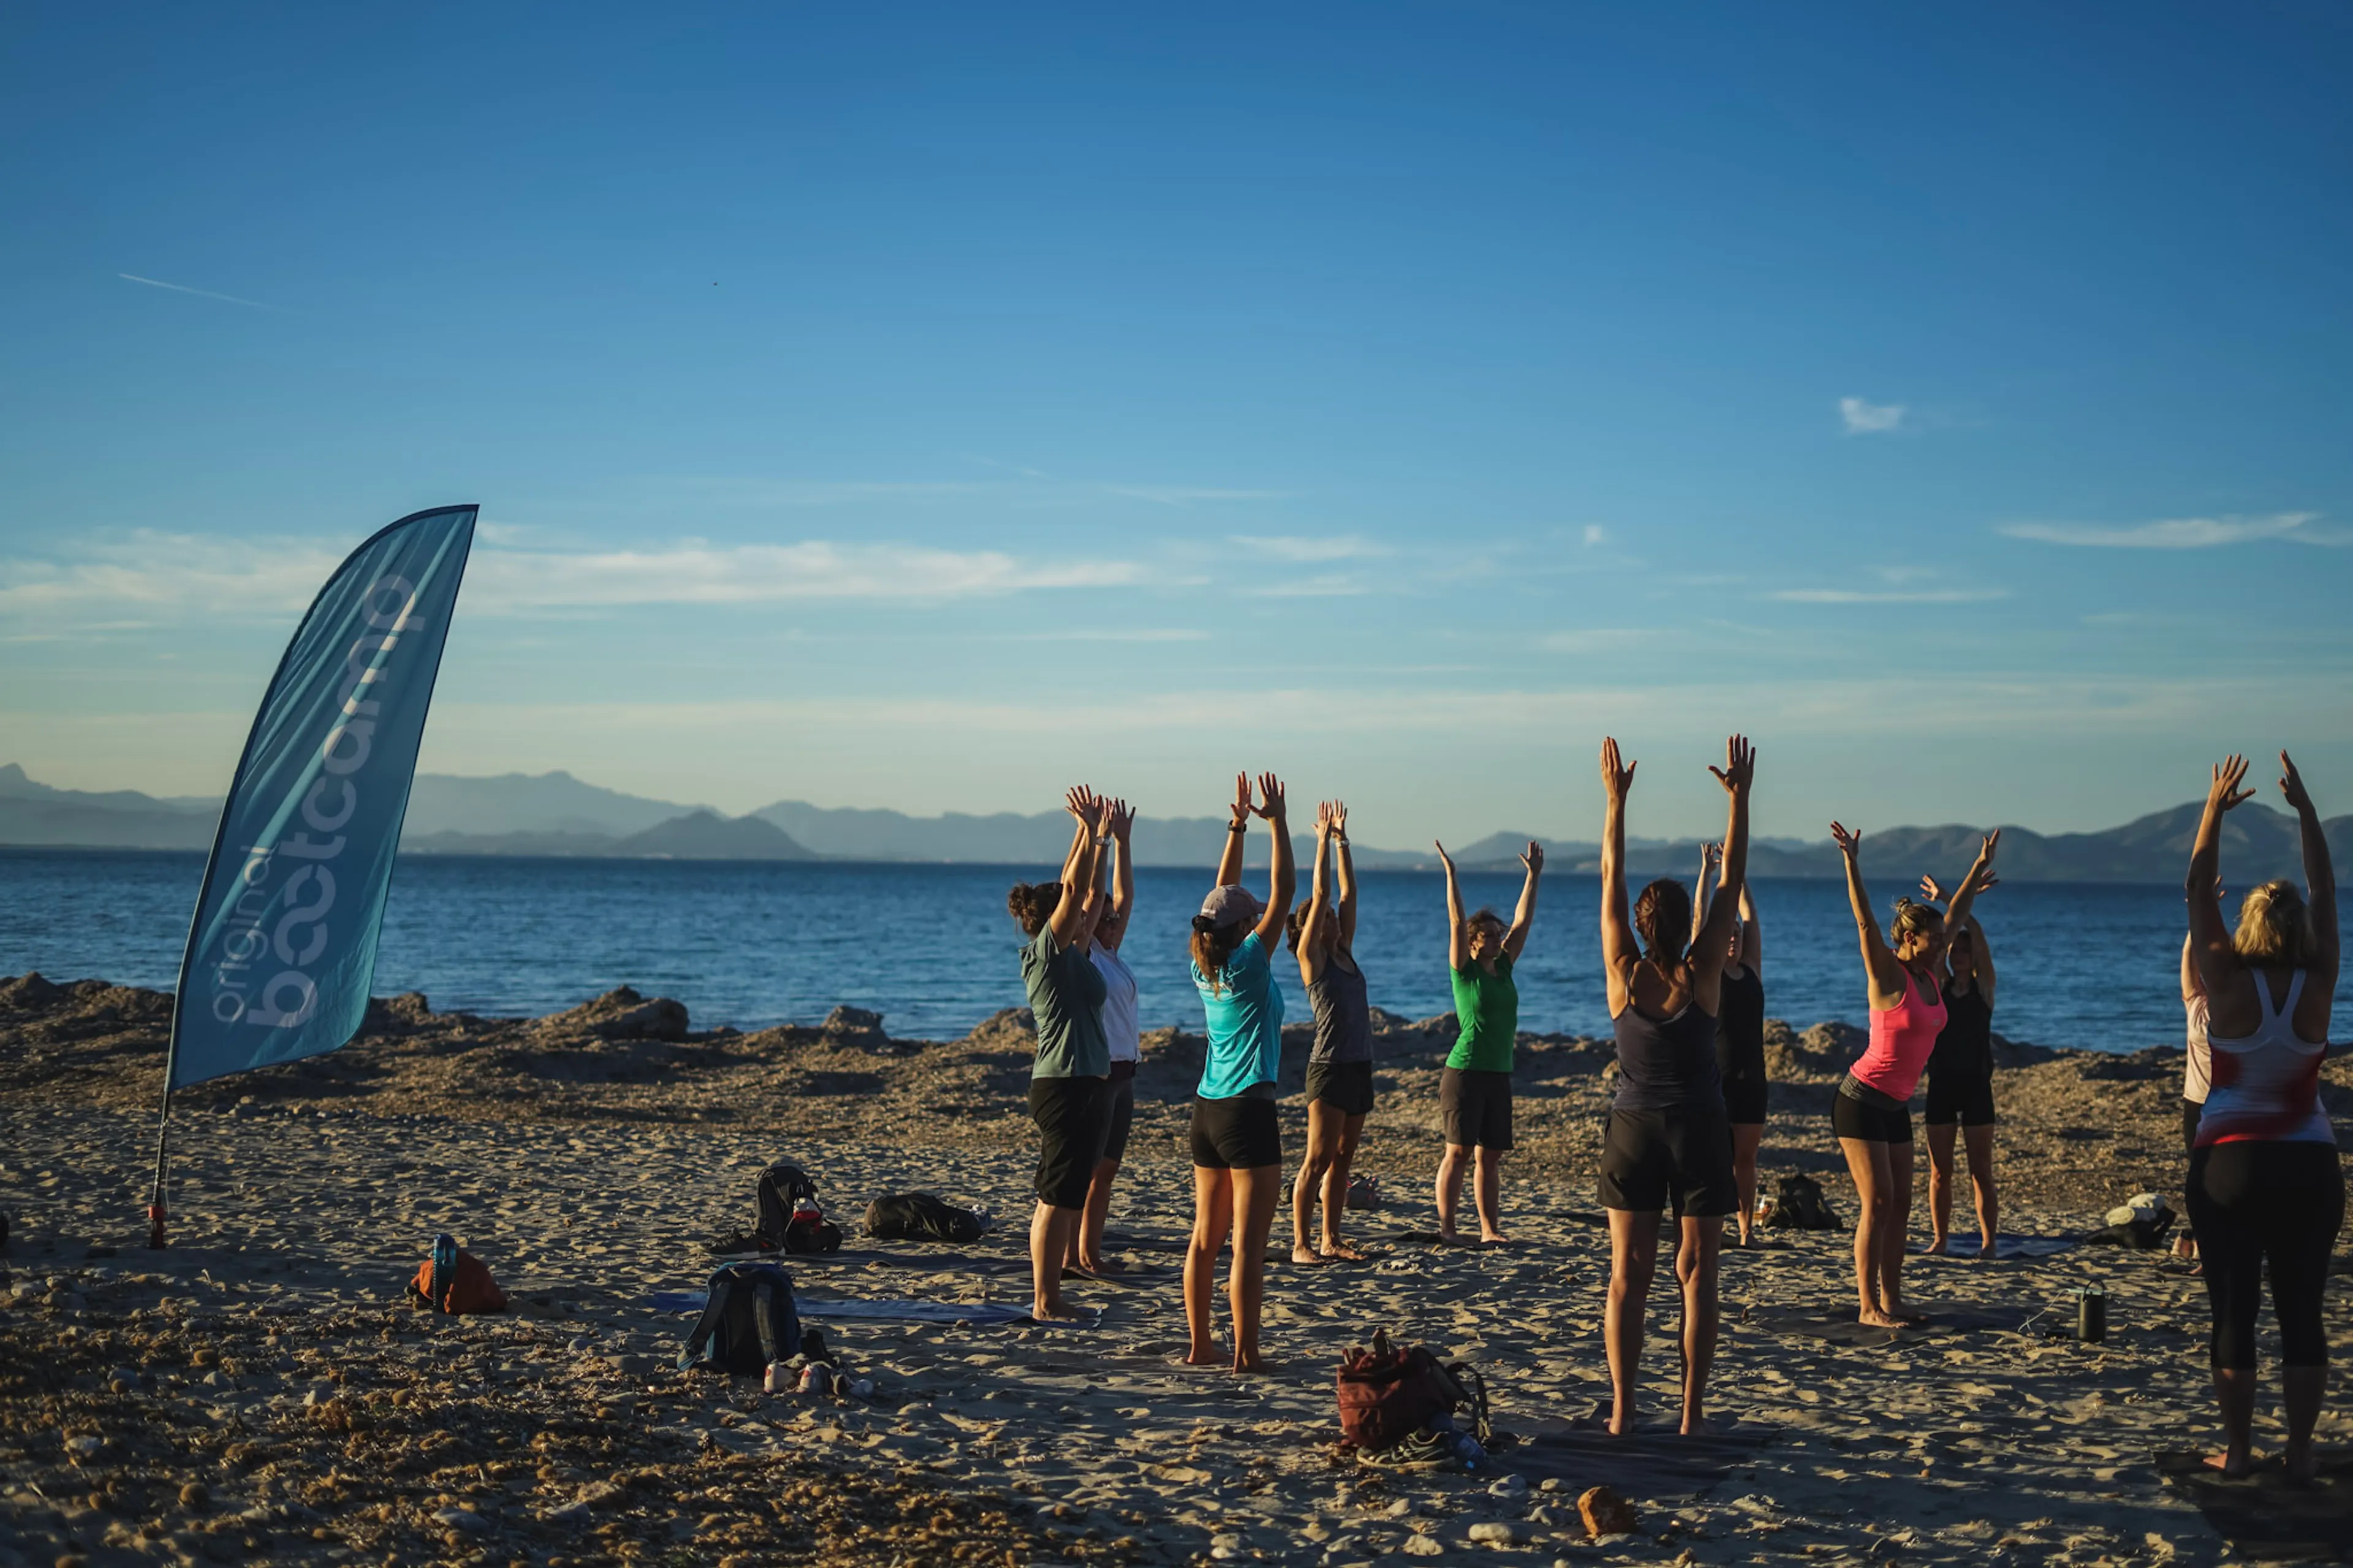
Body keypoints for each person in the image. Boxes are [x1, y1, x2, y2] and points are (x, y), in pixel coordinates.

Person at [2183, 752, 2340, 1479]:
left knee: (2234, 1312)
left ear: (2245, 923)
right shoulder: (2321, 975)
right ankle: (2301, 1455)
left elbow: (2194, 889)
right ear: (2303, 926)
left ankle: (2241, 1452)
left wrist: (2214, 808)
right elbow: (2326, 886)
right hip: (2309, 1162)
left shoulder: (2225, 976)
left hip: (2231, 1165)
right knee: (2302, 1312)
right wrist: (2308, 813)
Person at [1597, 734, 1754, 1435]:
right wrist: (1740, 800)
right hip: (1697, 1129)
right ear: (1690, 927)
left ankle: (1625, 1413)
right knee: (1699, 1276)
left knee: (1628, 1278)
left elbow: (1610, 873)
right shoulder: (1704, 975)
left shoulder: (1623, 972)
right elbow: (1731, 880)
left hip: (1633, 1131)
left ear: (1638, 924)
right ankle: (1691, 1415)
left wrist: (1615, 801)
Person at [1826, 818, 1998, 1328]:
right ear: (1910, 938)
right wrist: (1852, 863)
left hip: (1895, 1105)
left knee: (1901, 1204)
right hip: (1860, 1099)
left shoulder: (1932, 975)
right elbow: (1864, 925)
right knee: (1877, 1202)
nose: (1945, 943)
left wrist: (1977, 865)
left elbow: (1960, 909)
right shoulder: (1888, 972)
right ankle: (1867, 1306)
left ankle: (1892, 1298)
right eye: (1936, 937)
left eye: (1946, 938)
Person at [1185, 771, 1296, 1373]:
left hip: (1207, 1109)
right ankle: (1246, 1355)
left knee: (1207, 1238)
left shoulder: (1204, 961)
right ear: (1245, 929)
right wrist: (1278, 821)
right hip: (1249, 1111)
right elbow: (1284, 891)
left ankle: (1202, 1346)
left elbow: (1220, 894)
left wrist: (1238, 826)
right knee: (1248, 1248)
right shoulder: (1251, 961)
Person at [1007, 786, 1115, 1322]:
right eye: (1069, 913)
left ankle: (1053, 1292)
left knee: (1068, 1190)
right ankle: (1045, 1299)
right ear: (1054, 920)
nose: (1085, 914)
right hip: (1064, 1084)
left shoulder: (1074, 952)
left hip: (1086, 1084)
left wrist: (1100, 839)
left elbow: (1088, 893)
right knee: (1054, 1194)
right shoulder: (1046, 956)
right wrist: (1088, 832)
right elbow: (1074, 888)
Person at [1433, 834, 1543, 1244]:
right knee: (1458, 1153)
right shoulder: (1464, 970)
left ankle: (1489, 1229)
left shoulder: (1506, 967)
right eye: (1492, 935)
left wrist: (1533, 877)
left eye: (1501, 934)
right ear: (1476, 941)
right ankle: (1448, 1229)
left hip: (1499, 1071)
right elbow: (1455, 920)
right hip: (1464, 1071)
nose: (1501, 938)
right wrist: (1451, 875)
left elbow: (1523, 920)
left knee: (1490, 1156)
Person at [1288, 801, 1373, 1265]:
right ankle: (1301, 1243)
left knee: (1343, 1159)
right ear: (1311, 928)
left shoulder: (1345, 950)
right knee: (1316, 1159)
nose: (1335, 918)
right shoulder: (1314, 960)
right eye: (1326, 918)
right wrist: (1320, 841)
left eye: (1334, 917)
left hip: (1359, 1064)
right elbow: (1322, 893)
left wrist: (1343, 841)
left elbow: (1348, 892)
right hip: (1328, 1068)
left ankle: (1330, 1238)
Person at [1071, 798, 1140, 1276]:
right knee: (1086, 1170)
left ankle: (1090, 1252)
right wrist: (1094, 840)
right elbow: (1092, 895)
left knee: (1107, 1170)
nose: (1114, 923)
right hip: (1097, 1072)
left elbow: (1123, 896)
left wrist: (1124, 843)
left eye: (1117, 920)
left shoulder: (1112, 955)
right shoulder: (1085, 954)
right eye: (1107, 919)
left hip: (1125, 1071)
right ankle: (1074, 1253)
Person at [1920, 873, 2000, 1259]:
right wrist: (1949, 909)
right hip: (1941, 1086)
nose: (1962, 953)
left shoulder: (1985, 990)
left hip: (1977, 1087)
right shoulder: (1939, 986)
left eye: (1967, 950)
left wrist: (1951, 897)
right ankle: (1940, 1240)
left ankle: (1989, 1243)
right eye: (1957, 949)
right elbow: (1944, 936)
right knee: (1939, 1172)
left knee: (1980, 1172)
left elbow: (1977, 932)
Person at [1691, 841, 1767, 1247]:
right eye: (1729, 933)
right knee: (1714, 1158)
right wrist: (1708, 871)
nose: (1734, 938)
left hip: (1752, 1076)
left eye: (1737, 934)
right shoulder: (1708, 972)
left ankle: (1747, 1230)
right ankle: (1713, 1226)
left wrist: (1738, 876)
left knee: (1746, 1159)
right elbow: (1702, 920)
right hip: (1714, 1076)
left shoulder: (1751, 970)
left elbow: (1751, 917)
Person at [2175, 915, 2215, 1266]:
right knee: (2198, 1179)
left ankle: (2211, 1245)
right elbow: (2189, 960)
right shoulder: (2197, 1004)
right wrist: (2196, 920)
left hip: (2231, 1104)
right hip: (2196, 1103)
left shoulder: (2242, 1008)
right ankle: (2202, 1241)